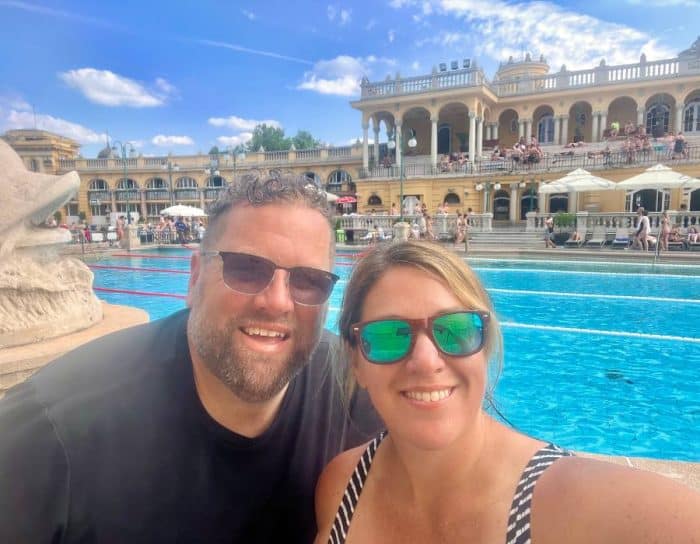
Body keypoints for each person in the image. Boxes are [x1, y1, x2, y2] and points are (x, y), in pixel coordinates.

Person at [0, 171, 381, 543]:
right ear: (194, 278)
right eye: (246, 269)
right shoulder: (52, 434)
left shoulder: (354, 386)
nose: (277, 302)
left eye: (308, 281)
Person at [314, 240, 700, 544]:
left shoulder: (570, 504)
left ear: (484, 346)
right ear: (356, 362)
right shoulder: (342, 485)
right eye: (387, 336)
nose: (426, 360)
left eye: (456, 330)